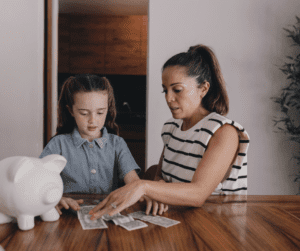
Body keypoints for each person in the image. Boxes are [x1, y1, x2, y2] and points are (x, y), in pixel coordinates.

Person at [89, 44, 250, 220]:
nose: (168, 98)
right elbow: (161, 175)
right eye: (165, 90)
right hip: (180, 221)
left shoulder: (223, 132)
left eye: (177, 90)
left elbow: (198, 194)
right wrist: (157, 185)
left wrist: (142, 186)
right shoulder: (171, 128)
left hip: (215, 227)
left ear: (203, 88)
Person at [40, 74, 168, 216]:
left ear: (108, 109)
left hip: (106, 214)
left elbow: (133, 182)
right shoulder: (58, 144)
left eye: (100, 112)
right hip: (66, 216)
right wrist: (55, 199)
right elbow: (37, 180)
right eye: (83, 113)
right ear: (71, 111)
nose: (93, 120)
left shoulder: (117, 144)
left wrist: (146, 194)